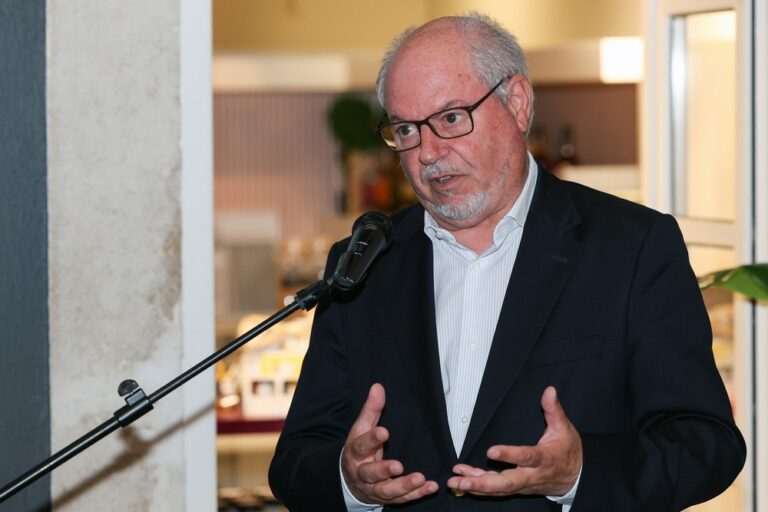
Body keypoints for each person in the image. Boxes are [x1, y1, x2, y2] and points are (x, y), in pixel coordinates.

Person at [269, 12, 746, 511]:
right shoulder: (364, 262)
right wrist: (350, 482)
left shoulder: (632, 247)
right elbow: (296, 461)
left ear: (517, 104)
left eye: (451, 119)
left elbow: (707, 445)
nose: (427, 153)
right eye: (406, 130)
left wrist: (580, 472)